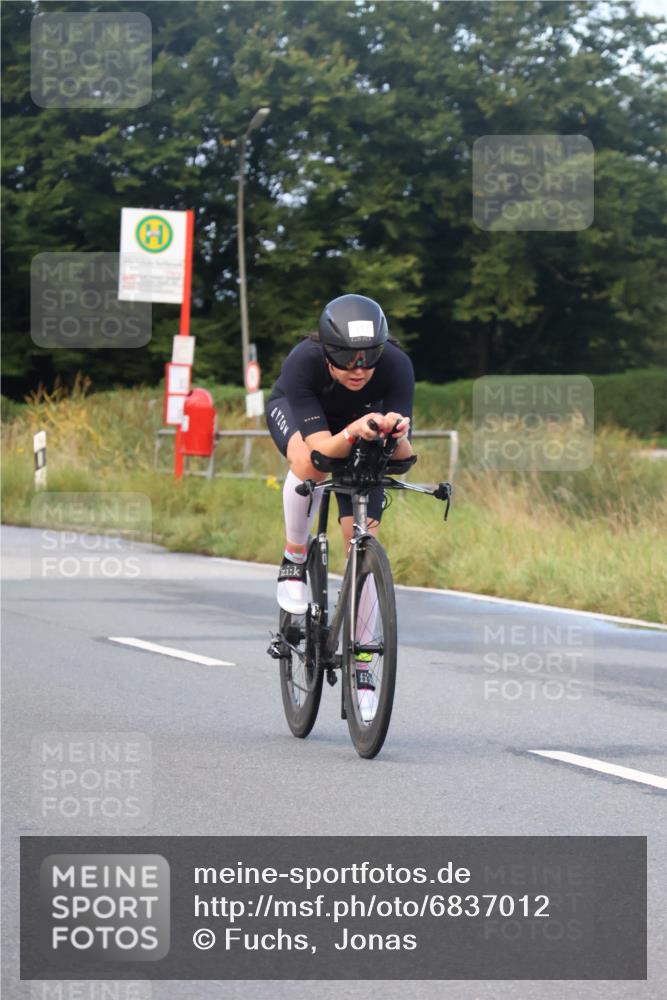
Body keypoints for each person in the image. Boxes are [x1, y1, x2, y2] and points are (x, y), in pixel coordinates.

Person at [266, 294, 415, 721]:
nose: (358, 370)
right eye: (347, 360)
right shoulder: (304, 361)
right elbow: (319, 455)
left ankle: (363, 666)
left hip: (358, 429)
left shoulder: (398, 366)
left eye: (368, 362)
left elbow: (403, 457)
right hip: (307, 422)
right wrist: (352, 430)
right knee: (307, 470)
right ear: (328, 352)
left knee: (361, 540)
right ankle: (295, 559)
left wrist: (398, 431)